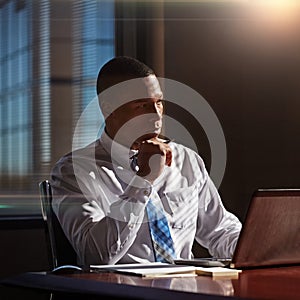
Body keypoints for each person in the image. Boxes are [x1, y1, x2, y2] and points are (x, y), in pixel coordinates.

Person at [50, 56, 241, 266]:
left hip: (186, 288)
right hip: (120, 291)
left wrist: (256, 248)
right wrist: (143, 181)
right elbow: (96, 255)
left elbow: (220, 231)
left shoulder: (186, 160)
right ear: (108, 109)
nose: (157, 115)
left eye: (158, 103)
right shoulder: (74, 171)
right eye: (141, 105)